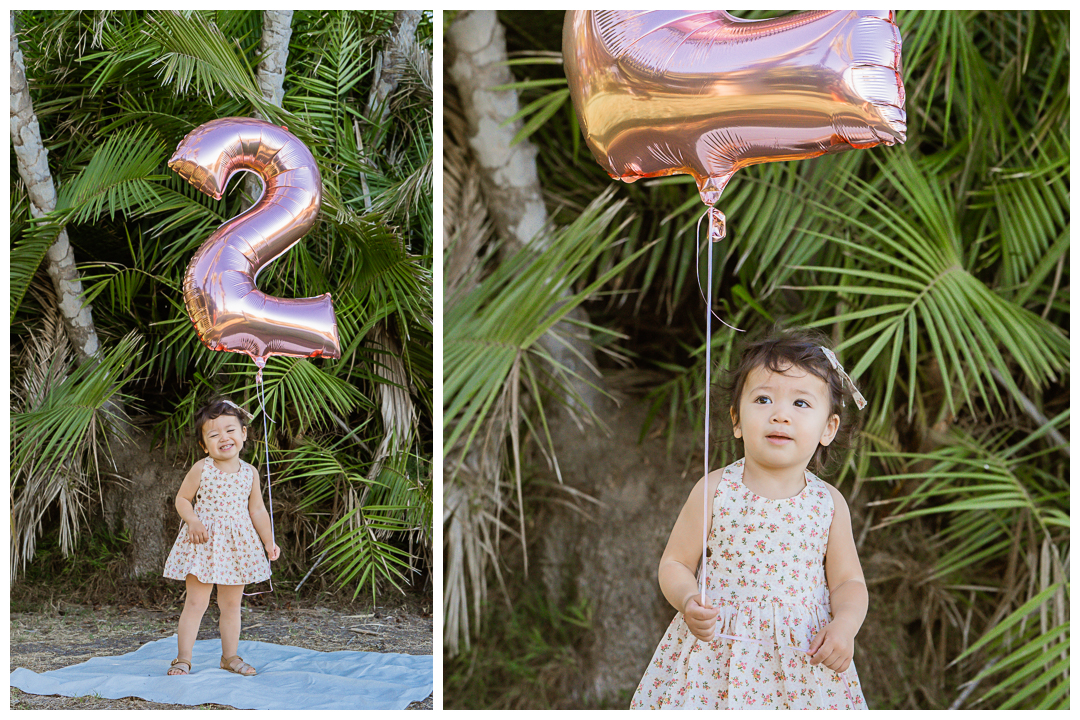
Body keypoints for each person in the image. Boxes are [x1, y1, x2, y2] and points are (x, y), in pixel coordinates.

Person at [631, 329, 869, 709]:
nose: (780, 414)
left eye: (801, 404)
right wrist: (688, 599)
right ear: (737, 420)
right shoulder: (715, 490)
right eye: (763, 399)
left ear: (829, 428)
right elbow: (675, 562)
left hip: (802, 665)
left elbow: (848, 582)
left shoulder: (828, 505)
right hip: (716, 660)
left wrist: (845, 625)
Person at [162, 398, 280, 676]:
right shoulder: (202, 468)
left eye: (230, 430)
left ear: (244, 434)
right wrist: (192, 520)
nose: (223, 438)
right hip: (203, 543)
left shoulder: (250, 473)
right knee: (195, 603)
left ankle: (230, 657)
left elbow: (258, 510)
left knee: (230, 605)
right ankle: (183, 658)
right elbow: (182, 499)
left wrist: (268, 541)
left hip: (236, 547)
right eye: (214, 435)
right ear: (205, 445)